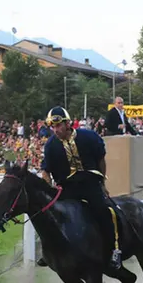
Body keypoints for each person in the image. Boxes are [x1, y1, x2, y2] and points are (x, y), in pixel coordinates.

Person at [40, 106, 122, 269]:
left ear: (68, 123)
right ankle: (48, 252)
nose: (55, 130)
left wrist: (102, 183)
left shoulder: (89, 137)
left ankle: (114, 250)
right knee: (49, 216)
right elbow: (45, 171)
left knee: (105, 211)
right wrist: (49, 190)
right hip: (66, 188)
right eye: (52, 127)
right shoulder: (50, 145)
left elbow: (101, 160)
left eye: (58, 125)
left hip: (90, 184)